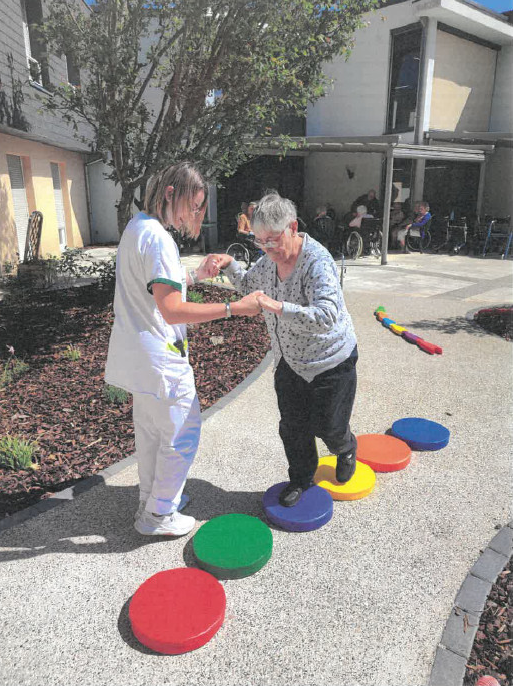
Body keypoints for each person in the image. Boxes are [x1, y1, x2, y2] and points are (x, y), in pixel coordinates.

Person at [105, 162, 261, 537]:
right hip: (161, 355)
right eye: (193, 205)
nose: (194, 215)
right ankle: (158, 514)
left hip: (138, 354)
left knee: (151, 434)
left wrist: (196, 276)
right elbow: (171, 308)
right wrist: (233, 308)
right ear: (171, 193)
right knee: (182, 434)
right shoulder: (158, 238)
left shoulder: (137, 227)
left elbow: (156, 288)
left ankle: (154, 500)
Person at [207, 192, 358, 508]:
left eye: (272, 240)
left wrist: (276, 306)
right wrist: (230, 264)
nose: (266, 248)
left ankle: (345, 447)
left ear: (292, 226)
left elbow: (327, 315)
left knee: (329, 426)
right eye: (259, 242)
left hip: (330, 361)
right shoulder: (267, 260)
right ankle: (302, 478)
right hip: (288, 361)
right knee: (292, 427)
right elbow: (250, 287)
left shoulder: (316, 261)